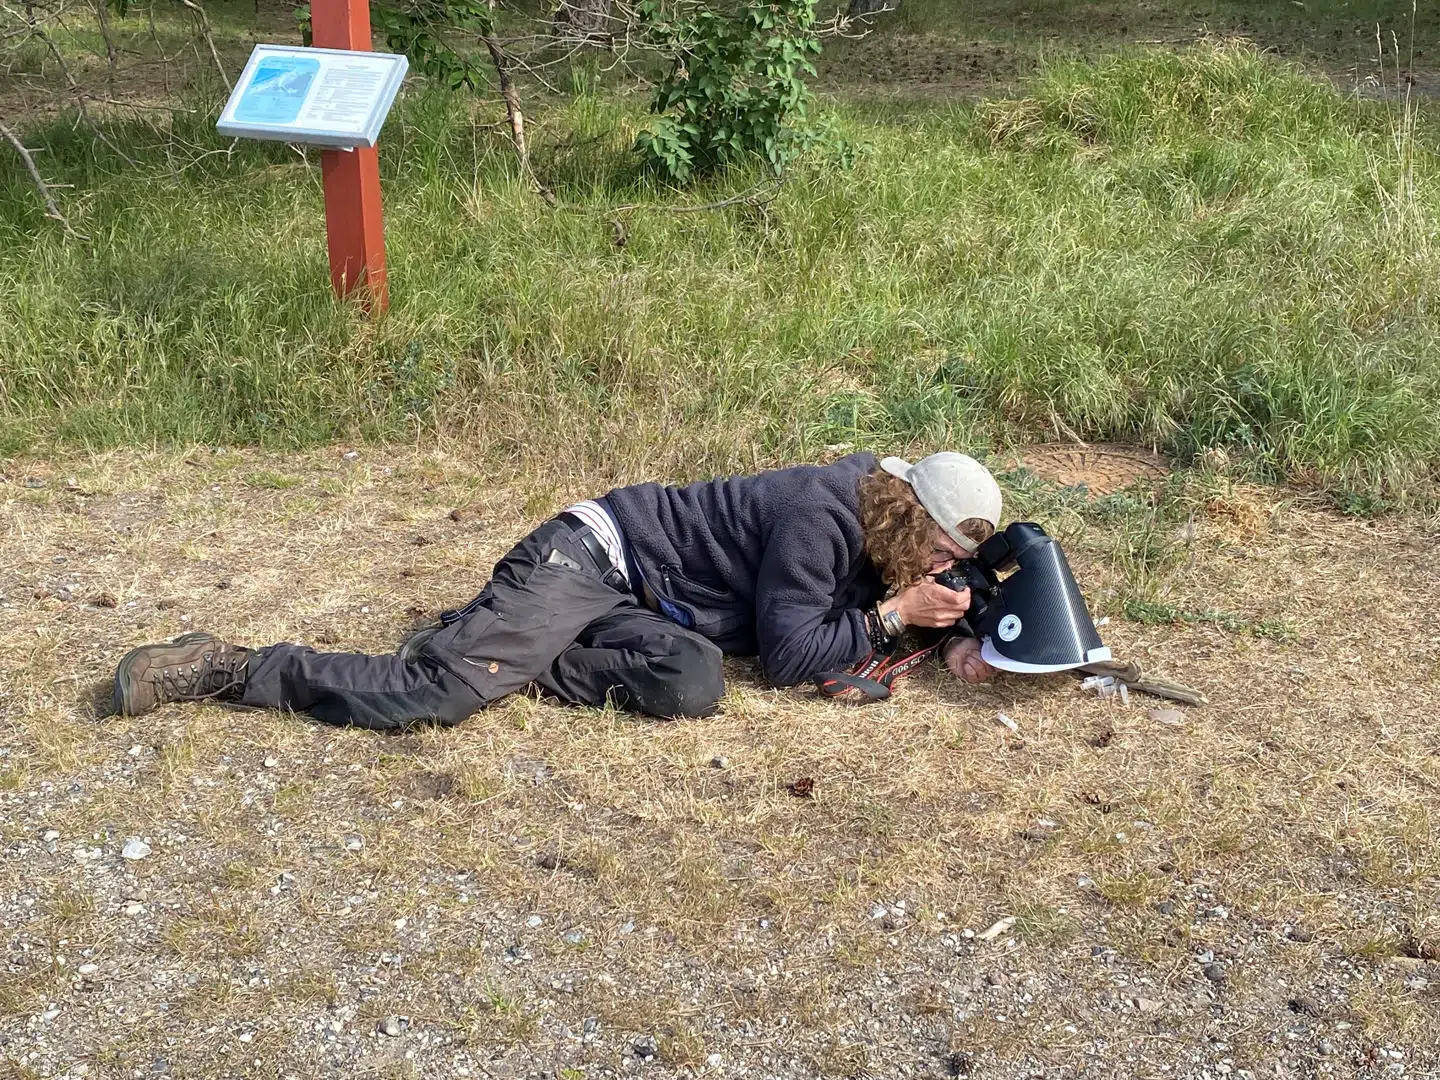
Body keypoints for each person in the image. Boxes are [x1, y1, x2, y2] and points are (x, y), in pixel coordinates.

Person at [111, 452, 1003, 727]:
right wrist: (892, 617)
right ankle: (225, 666)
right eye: (933, 548)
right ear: (905, 510)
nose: (936, 568)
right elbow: (792, 657)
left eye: (947, 561)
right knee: (441, 694)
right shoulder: (823, 513)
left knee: (691, 684)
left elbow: (845, 615)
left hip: (650, 604)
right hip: (590, 557)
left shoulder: (883, 522)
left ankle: (501, 649)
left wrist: (947, 635)